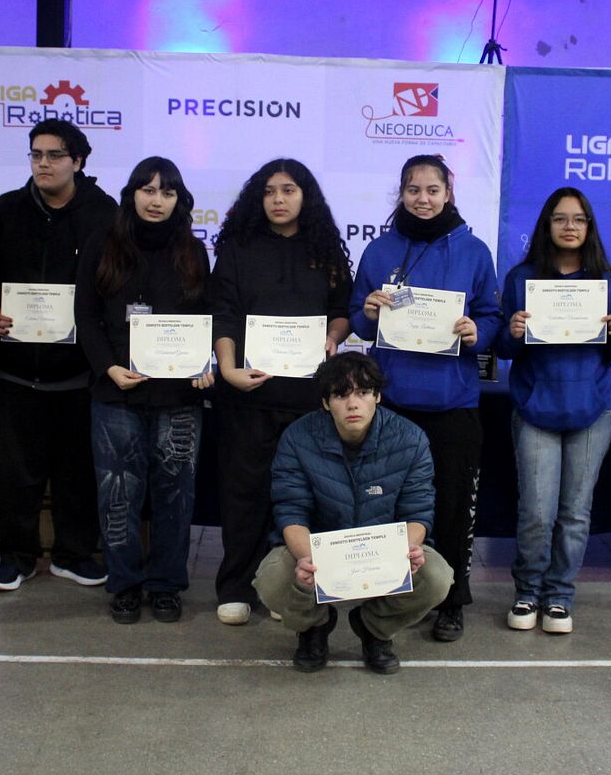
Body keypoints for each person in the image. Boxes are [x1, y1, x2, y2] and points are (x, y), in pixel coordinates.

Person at [349, 154, 501, 643]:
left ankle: (451, 602)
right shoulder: (380, 250)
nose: (423, 199)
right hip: (392, 404)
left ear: (448, 193)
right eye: (413, 190)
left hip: (453, 404)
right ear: (401, 194)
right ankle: (392, 597)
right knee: (389, 508)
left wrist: (478, 331)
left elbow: (492, 317)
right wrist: (369, 313)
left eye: (433, 190)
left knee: (453, 508)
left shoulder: (473, 251)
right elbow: (358, 319)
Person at [210, 158, 353, 625]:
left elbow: (342, 310)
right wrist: (227, 369)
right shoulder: (238, 249)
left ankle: (287, 588)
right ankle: (236, 586)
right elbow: (223, 314)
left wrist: (333, 337)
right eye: (270, 191)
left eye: (288, 190)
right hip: (247, 394)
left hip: (307, 398)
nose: (278, 199)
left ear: (305, 196)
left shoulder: (325, 250)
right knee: (244, 494)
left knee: (301, 497)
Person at [0, 119, 117, 592]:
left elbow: (116, 283)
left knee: (78, 472)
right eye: (36, 154)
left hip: (80, 373)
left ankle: (74, 555)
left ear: (78, 161)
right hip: (16, 372)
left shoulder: (105, 214)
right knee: (15, 474)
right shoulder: (4, 212)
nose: (43, 164)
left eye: (54, 155)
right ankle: (15, 557)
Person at [74, 156, 213, 624]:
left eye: (167, 192)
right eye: (148, 190)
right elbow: (85, 316)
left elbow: (206, 317)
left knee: (176, 495)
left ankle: (167, 584)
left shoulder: (193, 251)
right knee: (118, 494)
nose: (157, 201)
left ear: (179, 200)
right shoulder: (103, 243)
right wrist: (108, 367)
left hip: (179, 398)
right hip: (117, 393)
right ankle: (125, 584)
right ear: (132, 193)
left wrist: (205, 365)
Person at [258, 352, 454, 674]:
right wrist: (307, 560)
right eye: (340, 395)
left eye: (363, 393)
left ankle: (374, 628)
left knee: (437, 577)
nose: (353, 404)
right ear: (326, 403)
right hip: (321, 550)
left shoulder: (410, 439)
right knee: (272, 577)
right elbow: (291, 512)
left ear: (378, 396)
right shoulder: (297, 438)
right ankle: (314, 627)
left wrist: (406, 551)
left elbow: (418, 511)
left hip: (381, 553)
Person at [494, 187, 611, 634]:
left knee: (575, 514)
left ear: (589, 227)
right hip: (536, 409)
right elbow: (503, 348)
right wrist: (513, 332)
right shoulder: (522, 279)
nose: (569, 227)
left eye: (578, 219)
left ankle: (559, 596)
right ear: (547, 225)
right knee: (537, 513)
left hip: (592, 412)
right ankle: (527, 592)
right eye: (560, 218)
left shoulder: (608, 282)